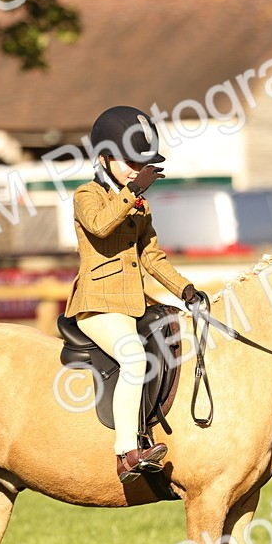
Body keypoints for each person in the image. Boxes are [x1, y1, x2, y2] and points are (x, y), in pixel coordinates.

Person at [64, 105, 209, 482]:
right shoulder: (86, 195)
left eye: (140, 164)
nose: (135, 169)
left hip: (134, 303)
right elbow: (99, 227)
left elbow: (151, 255)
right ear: (104, 157)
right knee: (133, 358)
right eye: (129, 161)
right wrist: (132, 190)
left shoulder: (137, 203)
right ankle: (128, 452)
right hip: (96, 305)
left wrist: (186, 290)